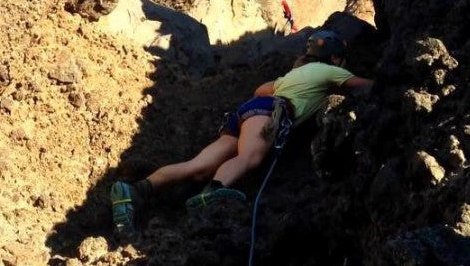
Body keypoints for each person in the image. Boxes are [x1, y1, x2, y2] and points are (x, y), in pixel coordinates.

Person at [110, 29, 373, 232]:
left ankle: (135, 191)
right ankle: (210, 196)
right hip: (270, 112)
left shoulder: (293, 75)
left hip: (247, 111)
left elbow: (261, 90)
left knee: (198, 165)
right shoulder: (330, 71)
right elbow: (362, 85)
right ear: (335, 57)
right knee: (250, 157)